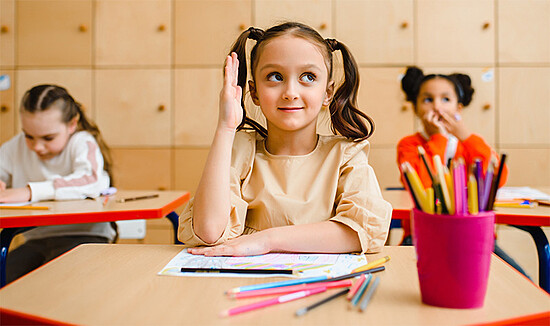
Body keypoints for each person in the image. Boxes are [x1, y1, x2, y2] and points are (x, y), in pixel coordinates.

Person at [178, 22, 392, 256]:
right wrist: (226, 127)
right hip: (244, 286)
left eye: (308, 77)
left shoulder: (346, 155)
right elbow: (209, 231)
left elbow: (360, 231)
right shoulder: (240, 148)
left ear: (327, 93)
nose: (290, 92)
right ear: (254, 92)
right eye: (275, 76)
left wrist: (268, 240)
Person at [396, 67, 529, 278]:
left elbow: (497, 179)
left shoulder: (468, 143)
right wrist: (438, 139)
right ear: (415, 107)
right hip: (423, 235)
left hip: (473, 235)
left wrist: (465, 136)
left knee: (521, 281)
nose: (437, 106)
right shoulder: (409, 145)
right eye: (428, 99)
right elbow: (423, 182)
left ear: (459, 107)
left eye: (445, 99)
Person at [0, 84, 116, 283]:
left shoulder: (82, 142)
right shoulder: (16, 146)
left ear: (72, 124)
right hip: (36, 239)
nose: (37, 147)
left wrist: (29, 192)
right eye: (29, 136)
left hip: (85, 237)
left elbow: (92, 180)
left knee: (54, 286)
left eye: (48, 138)